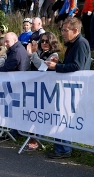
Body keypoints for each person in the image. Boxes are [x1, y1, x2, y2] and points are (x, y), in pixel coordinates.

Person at [45, 17, 91, 159]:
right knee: (62, 118)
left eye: (65, 30)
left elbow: (77, 67)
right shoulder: (73, 43)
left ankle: (63, 149)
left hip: (75, 89)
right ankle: (62, 148)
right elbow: (72, 64)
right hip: (69, 87)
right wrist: (60, 63)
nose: (62, 33)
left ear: (75, 30)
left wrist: (56, 66)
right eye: (62, 30)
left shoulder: (81, 44)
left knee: (64, 118)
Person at [25, 32, 60, 150]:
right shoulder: (39, 52)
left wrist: (33, 54)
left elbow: (43, 67)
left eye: (47, 41)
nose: (44, 43)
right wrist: (31, 55)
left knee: (41, 113)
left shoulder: (54, 54)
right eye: (42, 41)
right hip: (34, 87)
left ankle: (37, 139)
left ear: (52, 42)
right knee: (32, 112)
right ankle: (32, 137)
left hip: (46, 89)